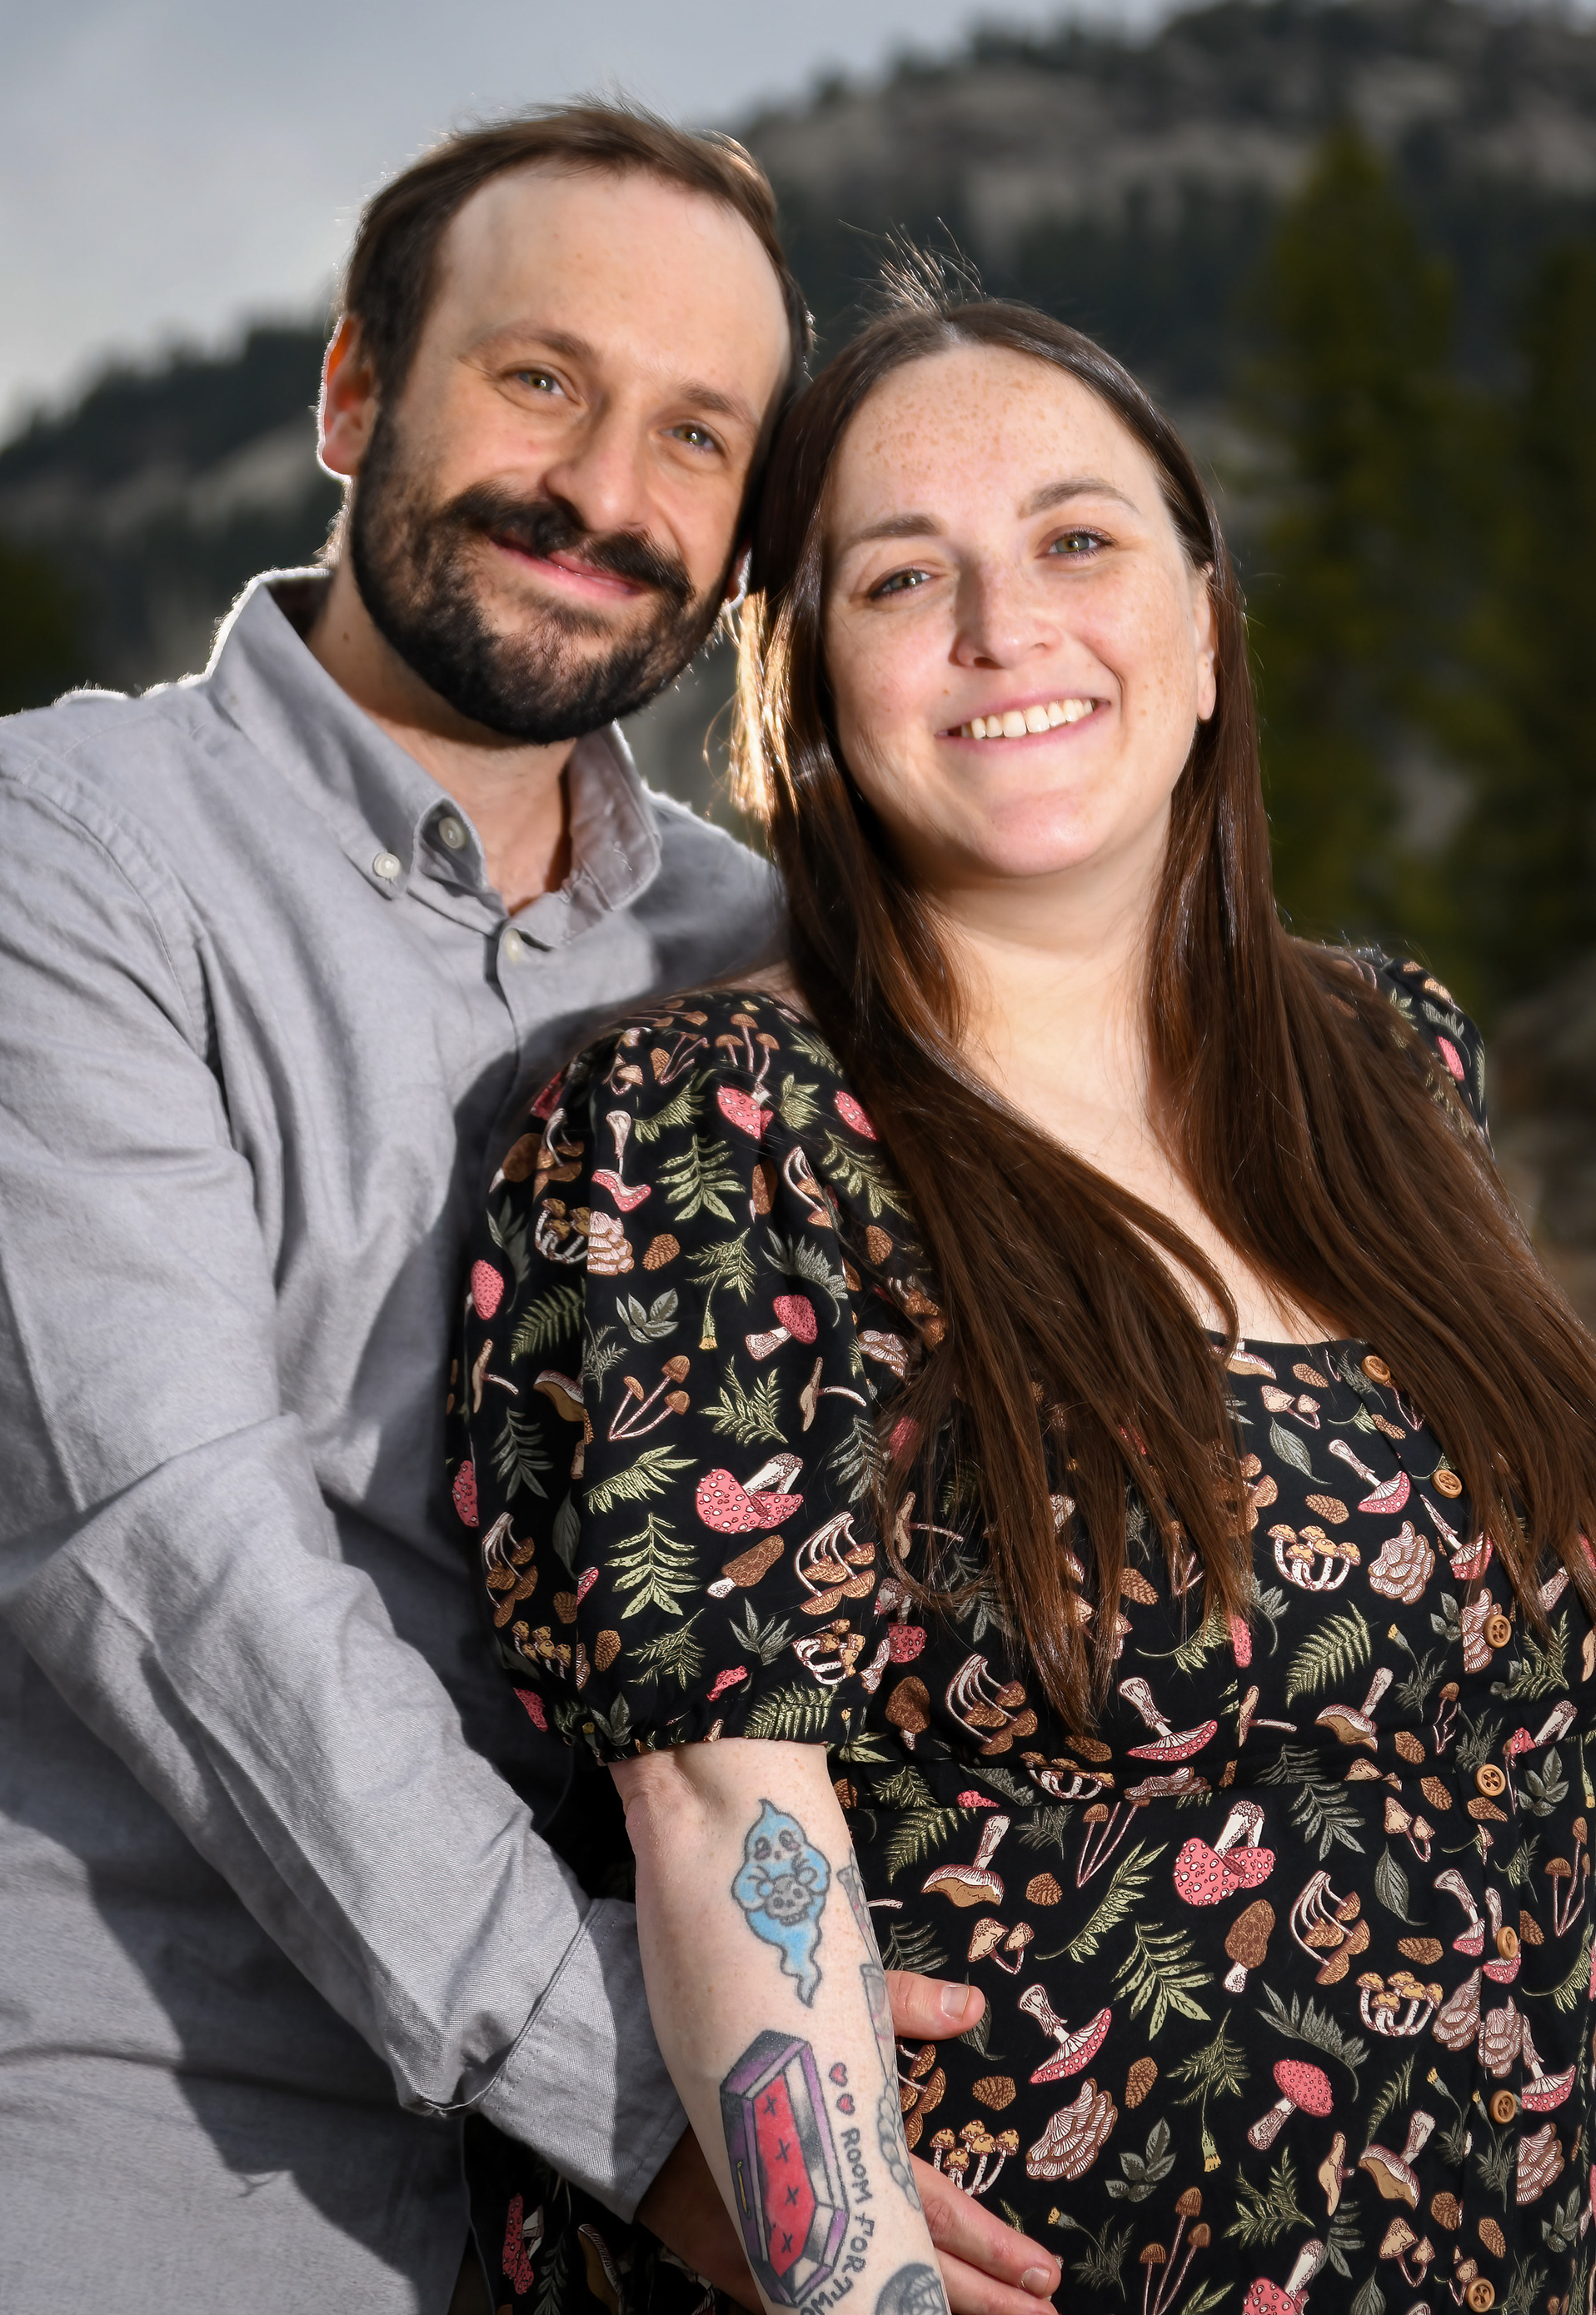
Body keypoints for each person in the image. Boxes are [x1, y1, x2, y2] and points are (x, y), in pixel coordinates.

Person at [0, 111, 1051, 2315]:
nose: (602, 492)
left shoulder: (761, 956)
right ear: (354, 391)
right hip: (168, 2159)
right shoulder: (63, 855)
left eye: (698, 436)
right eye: (540, 378)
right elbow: (168, 1551)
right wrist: (678, 2111)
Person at [458, 288, 1596, 2315]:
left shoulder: (1387, 1063)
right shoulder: (710, 1128)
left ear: (1206, 625)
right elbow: (719, 1804)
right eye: (906, 577)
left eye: (1078, 539)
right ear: (807, 688)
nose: (1006, 627)